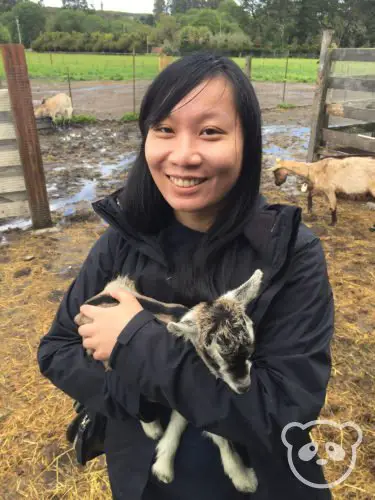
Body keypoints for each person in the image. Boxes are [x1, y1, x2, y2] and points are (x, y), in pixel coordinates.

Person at [37, 53, 334, 499]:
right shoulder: (122, 242)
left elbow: (284, 414)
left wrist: (136, 344)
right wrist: (134, 397)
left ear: (247, 143)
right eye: (164, 129)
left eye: (211, 131)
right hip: (143, 482)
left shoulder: (289, 254)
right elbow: (57, 350)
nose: (183, 155)